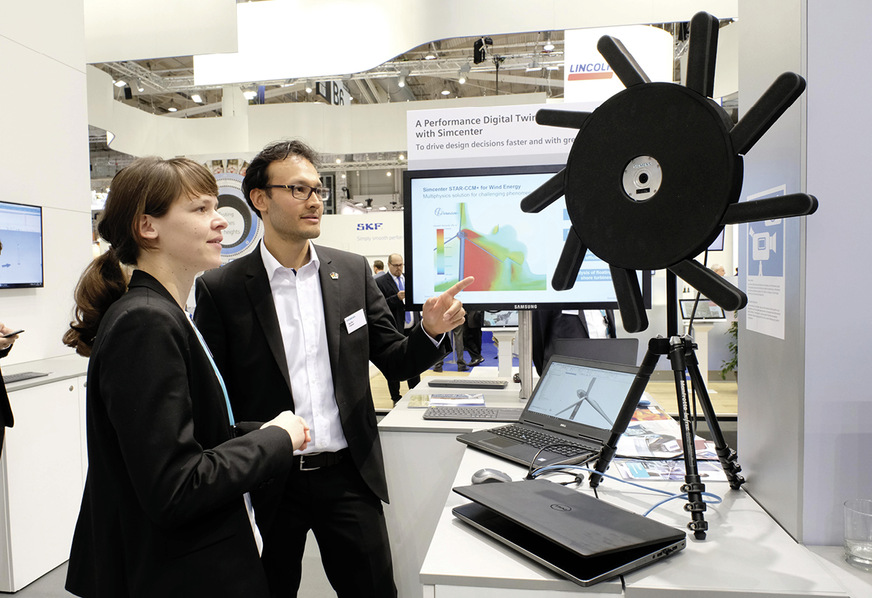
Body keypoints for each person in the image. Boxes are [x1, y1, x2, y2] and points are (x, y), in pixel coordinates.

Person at [193, 140, 471, 597]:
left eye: (319, 190)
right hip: (266, 480)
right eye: (299, 189)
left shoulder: (352, 271)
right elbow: (214, 396)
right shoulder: (223, 287)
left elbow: (395, 358)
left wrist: (429, 331)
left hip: (348, 475)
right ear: (260, 199)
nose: (316, 201)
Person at [61, 157, 311, 598]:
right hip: (176, 573)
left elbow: (189, 436)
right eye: (200, 209)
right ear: (147, 227)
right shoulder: (146, 322)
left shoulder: (164, 312)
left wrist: (264, 430)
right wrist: (275, 441)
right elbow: (175, 485)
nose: (220, 222)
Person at [376, 253, 424, 400]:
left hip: (412, 326)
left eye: (401, 265)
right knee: (393, 362)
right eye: (396, 265)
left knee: (414, 361)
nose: (399, 268)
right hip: (395, 328)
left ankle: (415, 393)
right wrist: (396, 298)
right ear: (389, 265)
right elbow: (380, 305)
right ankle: (395, 397)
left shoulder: (409, 279)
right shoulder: (381, 282)